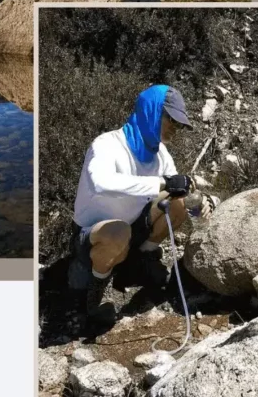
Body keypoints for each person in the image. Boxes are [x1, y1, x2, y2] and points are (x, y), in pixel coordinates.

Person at [72, 84, 194, 321]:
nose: (176, 129)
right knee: (118, 231)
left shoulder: (160, 154)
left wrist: (198, 203)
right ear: (153, 111)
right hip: (93, 234)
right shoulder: (107, 144)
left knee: (177, 204)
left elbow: (173, 188)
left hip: (133, 226)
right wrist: (160, 184)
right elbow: (101, 183)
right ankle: (96, 290)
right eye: (172, 121)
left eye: (180, 124)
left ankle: (139, 261)